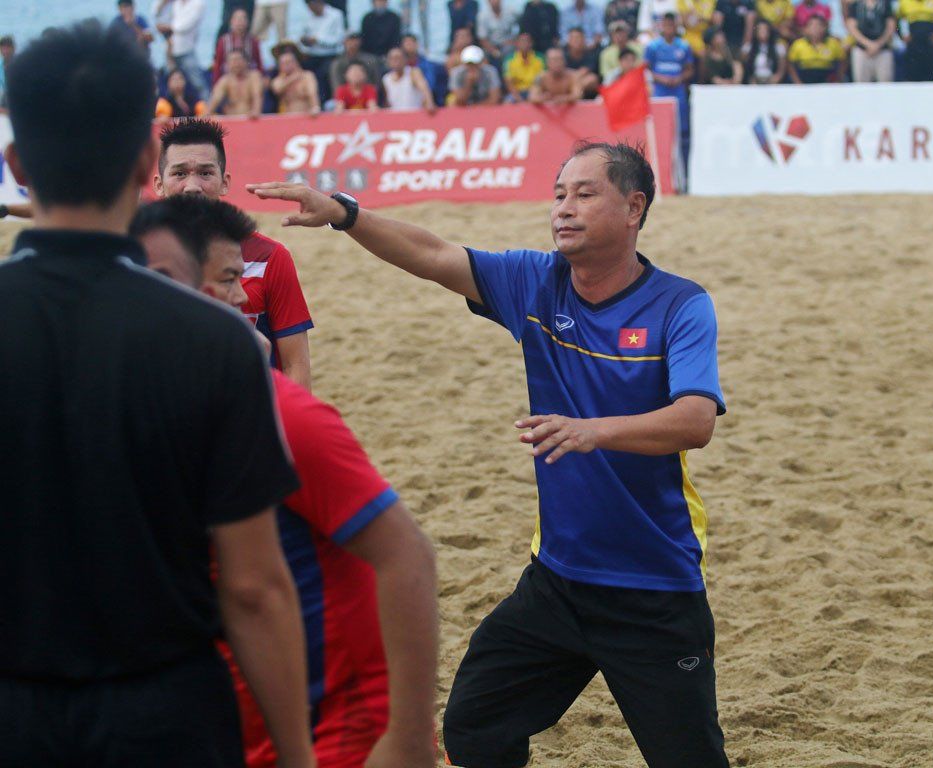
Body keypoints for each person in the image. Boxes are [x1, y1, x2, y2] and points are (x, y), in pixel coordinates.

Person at [247, 139, 730, 768]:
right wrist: (345, 213)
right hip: (556, 584)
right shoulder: (537, 282)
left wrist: (593, 431)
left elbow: (694, 422)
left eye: (585, 194)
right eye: (559, 194)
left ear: (634, 207)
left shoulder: (680, 304)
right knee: (475, 725)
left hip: (653, 591)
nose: (564, 208)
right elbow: (433, 253)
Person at [0, 22, 313, 768]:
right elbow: (254, 588)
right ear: (148, 161)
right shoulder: (220, 341)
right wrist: (298, 756)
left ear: (15, 163)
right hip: (164, 708)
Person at [132, 194, 440, 768]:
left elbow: (409, 558)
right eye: (227, 280)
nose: (238, 296)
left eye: (237, 279)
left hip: (338, 726)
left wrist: (408, 735)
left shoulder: (282, 414)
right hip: (235, 722)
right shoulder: (134, 414)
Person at [155, 118, 315, 390]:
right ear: (159, 184)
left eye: (205, 173)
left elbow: (294, 365)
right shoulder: (136, 260)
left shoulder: (269, 258)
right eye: (179, 173)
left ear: (225, 182)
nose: (192, 186)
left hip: (248, 421)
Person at [645, 13, 695, 154]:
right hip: (660, 91)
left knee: (679, 129)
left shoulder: (684, 46)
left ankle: (679, 162)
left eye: (671, 25)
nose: (669, 28)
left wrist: (680, 78)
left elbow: (690, 70)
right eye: (666, 25)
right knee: (659, 126)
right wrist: (661, 78)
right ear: (661, 26)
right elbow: (646, 69)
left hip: (677, 91)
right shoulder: (653, 47)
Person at [157, 0, 209, 100]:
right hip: (170, 48)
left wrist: (167, 27)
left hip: (186, 50)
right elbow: (157, 14)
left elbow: (185, 26)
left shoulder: (198, 3)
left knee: (198, 83)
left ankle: (208, 110)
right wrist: (163, 3)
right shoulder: (175, 3)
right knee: (167, 85)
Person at [897, 0, 933, 81]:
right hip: (914, 47)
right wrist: (901, 36)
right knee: (912, 80)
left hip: (932, 46)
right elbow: (894, 19)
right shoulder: (905, 2)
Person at [301, 0, 346, 102]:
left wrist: (318, 41)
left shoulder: (336, 15)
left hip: (330, 54)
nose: (311, 9)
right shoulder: (309, 17)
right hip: (312, 55)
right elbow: (304, 36)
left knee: (322, 74)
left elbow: (338, 40)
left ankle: (324, 102)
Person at [846, 0, 896, 82]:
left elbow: (891, 26)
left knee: (886, 84)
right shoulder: (856, 5)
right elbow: (852, 28)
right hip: (862, 50)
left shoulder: (885, 4)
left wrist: (878, 44)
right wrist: (868, 44)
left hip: (882, 50)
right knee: (861, 86)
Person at [788, 13, 846, 83]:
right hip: (804, 81)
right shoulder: (798, 44)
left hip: (828, 82)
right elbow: (790, 65)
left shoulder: (833, 44)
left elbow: (842, 62)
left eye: (819, 25)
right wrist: (797, 82)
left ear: (825, 28)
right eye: (812, 25)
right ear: (806, 29)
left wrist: (838, 80)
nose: (815, 28)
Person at [213, 8, 264, 82]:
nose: (240, 22)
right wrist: (216, 83)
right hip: (229, 79)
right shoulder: (223, 41)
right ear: (231, 22)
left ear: (247, 22)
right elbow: (218, 64)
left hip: (248, 79)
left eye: (243, 19)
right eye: (237, 19)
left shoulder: (253, 41)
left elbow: (259, 63)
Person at [210, 49, 264, 116]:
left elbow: (257, 96)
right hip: (232, 119)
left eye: (238, 60)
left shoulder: (254, 76)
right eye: (231, 61)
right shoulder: (225, 80)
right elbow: (215, 99)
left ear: (246, 61)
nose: (235, 63)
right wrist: (206, 115)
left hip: (251, 118)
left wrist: (256, 111)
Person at [272, 44, 322, 115]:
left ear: (295, 62)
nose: (285, 65)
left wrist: (315, 107)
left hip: (305, 116)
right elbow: (277, 89)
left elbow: (312, 94)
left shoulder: (307, 76)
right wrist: (294, 77)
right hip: (286, 118)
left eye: (288, 62)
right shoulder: (278, 80)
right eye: (282, 63)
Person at [382, 46, 437, 110]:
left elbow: (424, 88)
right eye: (392, 58)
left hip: (413, 115)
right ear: (389, 61)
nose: (396, 61)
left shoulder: (413, 73)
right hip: (396, 117)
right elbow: (387, 103)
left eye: (398, 58)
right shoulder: (386, 79)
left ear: (405, 59)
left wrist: (429, 102)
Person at [402, 33, 448, 104]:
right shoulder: (401, 66)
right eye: (406, 43)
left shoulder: (428, 65)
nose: (408, 45)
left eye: (410, 42)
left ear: (417, 44)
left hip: (425, 103)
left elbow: (430, 85)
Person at [504, 31, 547, 102]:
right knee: (507, 101)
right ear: (516, 44)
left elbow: (544, 78)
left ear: (531, 43)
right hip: (518, 92)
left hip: (536, 91)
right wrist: (519, 99)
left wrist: (535, 94)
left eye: (527, 41)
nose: (524, 44)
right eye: (521, 41)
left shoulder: (540, 58)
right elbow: (509, 82)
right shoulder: (509, 59)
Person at [743, 17, 788, 83]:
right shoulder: (749, 47)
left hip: (771, 80)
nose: (762, 32)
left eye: (765, 29)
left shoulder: (778, 47)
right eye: (760, 29)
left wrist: (777, 77)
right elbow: (744, 65)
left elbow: (782, 68)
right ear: (755, 32)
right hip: (755, 80)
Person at [562, 27, 601, 95]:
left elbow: (583, 72)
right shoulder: (562, 54)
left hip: (582, 85)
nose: (576, 40)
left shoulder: (591, 54)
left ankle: (574, 95)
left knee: (592, 79)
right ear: (568, 40)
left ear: (584, 39)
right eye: (573, 38)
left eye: (578, 37)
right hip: (567, 82)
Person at [0, 36, 13, 111]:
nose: (6, 51)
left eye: (8, 48)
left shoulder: (19, 65)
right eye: (3, 48)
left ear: (13, 49)